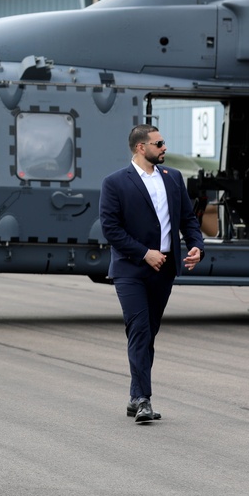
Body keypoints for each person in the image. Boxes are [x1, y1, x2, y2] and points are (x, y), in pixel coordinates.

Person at [99, 124, 204, 423]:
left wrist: (197, 246)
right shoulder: (115, 182)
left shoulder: (173, 178)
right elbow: (111, 228)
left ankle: (136, 395)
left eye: (163, 142)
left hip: (164, 270)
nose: (164, 148)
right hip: (130, 269)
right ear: (140, 147)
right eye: (159, 144)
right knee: (140, 329)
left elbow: (187, 218)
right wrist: (144, 253)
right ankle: (143, 399)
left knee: (147, 334)